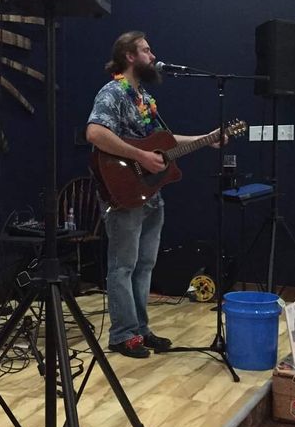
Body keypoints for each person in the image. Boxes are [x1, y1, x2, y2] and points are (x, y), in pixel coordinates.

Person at [86, 31, 221, 358]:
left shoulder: (144, 98)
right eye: (146, 50)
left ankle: (140, 330)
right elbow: (95, 132)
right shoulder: (113, 92)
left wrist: (206, 138)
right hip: (124, 191)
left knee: (145, 265)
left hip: (150, 193)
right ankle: (122, 335)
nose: (153, 55)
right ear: (129, 56)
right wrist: (140, 156)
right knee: (123, 266)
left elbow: (164, 142)